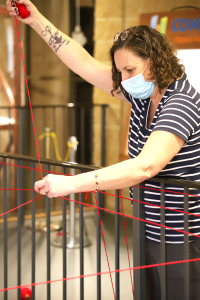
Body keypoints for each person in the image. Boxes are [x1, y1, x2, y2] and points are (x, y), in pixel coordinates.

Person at [6, 1, 200, 299]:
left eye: (129, 69)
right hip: (146, 222)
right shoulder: (143, 96)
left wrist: (71, 183)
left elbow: (144, 167)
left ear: (155, 61)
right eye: (119, 71)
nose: (123, 79)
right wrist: (36, 20)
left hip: (181, 233)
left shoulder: (180, 102)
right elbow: (83, 63)